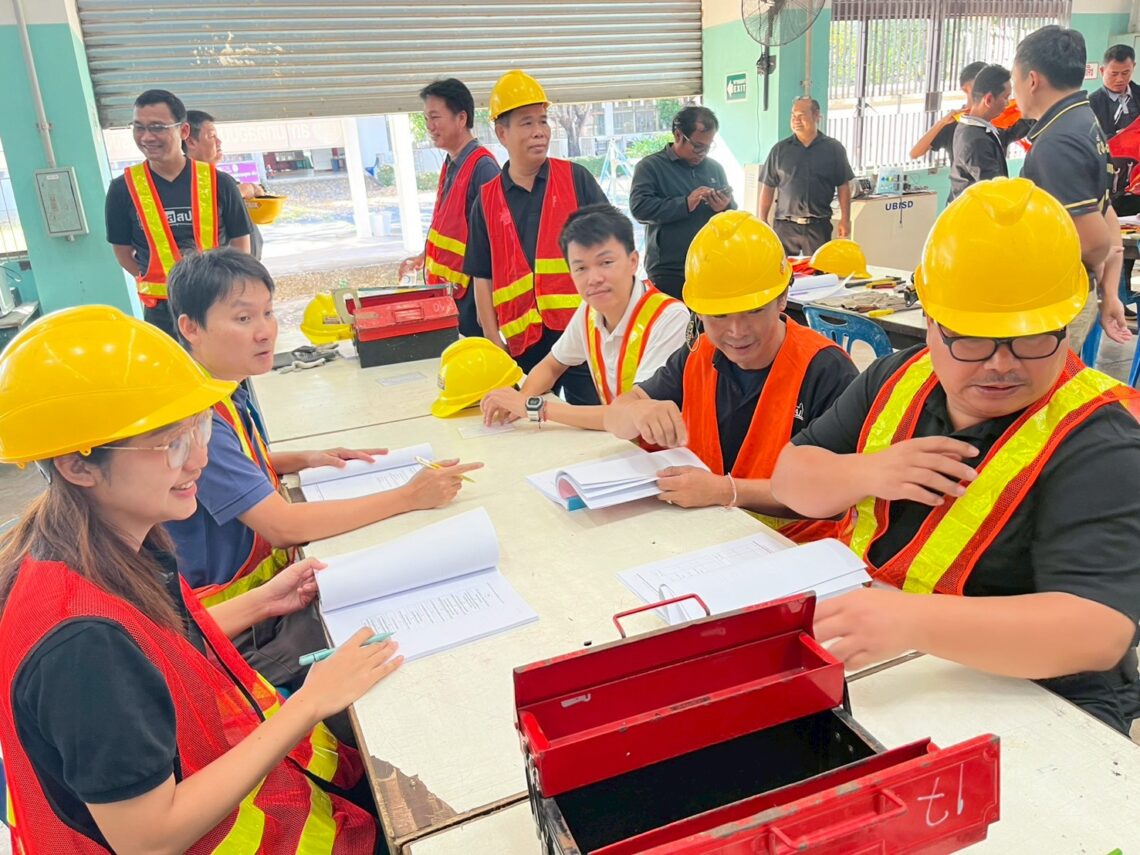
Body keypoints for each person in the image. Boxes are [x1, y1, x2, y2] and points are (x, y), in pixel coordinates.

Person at [0, 305, 400, 852]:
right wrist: (310, 702)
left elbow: (150, 648)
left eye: (201, 429)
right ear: (77, 465)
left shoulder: (99, 543)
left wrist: (261, 601)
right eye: (173, 445)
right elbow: (150, 838)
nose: (199, 462)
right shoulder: (79, 645)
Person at [771, 178, 1140, 735]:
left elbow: (1096, 630)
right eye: (970, 337)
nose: (1000, 364)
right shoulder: (897, 376)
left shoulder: (1099, 439)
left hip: (1042, 702)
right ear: (932, 323)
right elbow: (789, 479)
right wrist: (868, 471)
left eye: (1031, 337)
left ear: (1067, 326)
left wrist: (911, 621)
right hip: (901, 666)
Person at [164, 248, 480, 689]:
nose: (265, 332)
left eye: (269, 313)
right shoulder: (197, 419)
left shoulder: (216, 387)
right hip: (232, 633)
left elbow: (230, 466)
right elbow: (282, 526)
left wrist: (305, 458)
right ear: (189, 328)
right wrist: (408, 497)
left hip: (257, 602)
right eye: (243, 319)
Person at [601, 211, 858, 541]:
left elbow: (835, 492)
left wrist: (727, 491)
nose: (736, 332)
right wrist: (635, 410)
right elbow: (615, 419)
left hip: (799, 552)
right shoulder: (699, 354)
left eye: (754, 310)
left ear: (782, 298)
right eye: (719, 315)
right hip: (712, 536)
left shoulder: (826, 371)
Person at [464, 69, 608, 405]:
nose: (539, 132)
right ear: (502, 132)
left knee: (590, 424)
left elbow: (610, 250)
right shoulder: (486, 201)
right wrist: (492, 341)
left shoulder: (576, 179)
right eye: (527, 123)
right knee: (526, 429)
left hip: (580, 336)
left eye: (543, 121)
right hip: (521, 344)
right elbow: (481, 277)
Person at [480, 204, 689, 429]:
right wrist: (518, 402)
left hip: (668, 454)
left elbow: (630, 415)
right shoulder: (590, 311)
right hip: (622, 448)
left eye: (606, 262)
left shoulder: (669, 317)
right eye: (581, 268)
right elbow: (552, 365)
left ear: (633, 262)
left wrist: (534, 408)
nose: (594, 278)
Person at [1014, 25, 1131, 355]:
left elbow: (1095, 240)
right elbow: (1107, 218)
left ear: (1032, 80)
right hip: (1076, 295)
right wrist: (1108, 293)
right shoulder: (1084, 120)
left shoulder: (1057, 142)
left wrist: (1093, 269)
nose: (1015, 92)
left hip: (1058, 302)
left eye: (1015, 79)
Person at [105, 89, 252, 338]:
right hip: (161, 315)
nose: (147, 137)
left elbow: (241, 246)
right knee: (169, 377)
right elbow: (122, 253)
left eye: (158, 127)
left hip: (218, 306)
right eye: (138, 127)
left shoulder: (219, 182)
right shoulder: (123, 189)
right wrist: (161, 281)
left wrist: (225, 287)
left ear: (183, 131)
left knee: (224, 376)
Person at [398, 79, 500, 336]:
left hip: (473, 299)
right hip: (453, 293)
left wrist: (486, 308)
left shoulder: (483, 168)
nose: (429, 127)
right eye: (426, 119)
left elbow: (497, 243)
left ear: (461, 118)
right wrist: (425, 256)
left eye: (435, 117)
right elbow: (453, 227)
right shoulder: (452, 163)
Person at [629, 105, 735, 299]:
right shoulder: (651, 167)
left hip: (710, 266)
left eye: (708, 146)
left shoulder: (714, 168)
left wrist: (724, 208)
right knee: (674, 326)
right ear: (678, 135)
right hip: (668, 271)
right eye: (697, 146)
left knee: (709, 328)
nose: (702, 152)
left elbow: (733, 215)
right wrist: (685, 204)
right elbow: (640, 209)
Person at [758, 97, 854, 256]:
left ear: (817, 116)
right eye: (793, 116)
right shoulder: (779, 150)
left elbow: (843, 186)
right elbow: (767, 186)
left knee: (819, 275)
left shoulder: (833, 149)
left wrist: (845, 219)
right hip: (785, 227)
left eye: (801, 115)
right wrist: (762, 219)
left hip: (818, 227)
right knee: (784, 275)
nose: (796, 120)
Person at [1088, 44, 1140, 316]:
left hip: (1135, 184)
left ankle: (1124, 297)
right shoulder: (1091, 103)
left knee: (1130, 245)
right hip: (1106, 185)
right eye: (1114, 74)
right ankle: (1109, 297)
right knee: (1109, 242)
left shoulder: (1139, 96)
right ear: (1101, 71)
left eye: (1126, 73)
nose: (1120, 79)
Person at [185, 109, 265, 259]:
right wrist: (237, 192)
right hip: (223, 273)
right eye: (212, 136)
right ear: (190, 142)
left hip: (246, 268)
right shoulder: (183, 183)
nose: (219, 142)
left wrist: (250, 190)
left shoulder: (221, 180)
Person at [948, 64, 1014, 202]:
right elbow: (993, 189)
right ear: (989, 99)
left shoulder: (971, 127)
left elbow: (1008, 134)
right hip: (974, 217)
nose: (1008, 104)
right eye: (1005, 97)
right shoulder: (976, 140)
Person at [909, 60, 987, 160]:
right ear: (965, 89)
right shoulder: (954, 121)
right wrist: (942, 122)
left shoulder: (1001, 118)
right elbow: (915, 153)